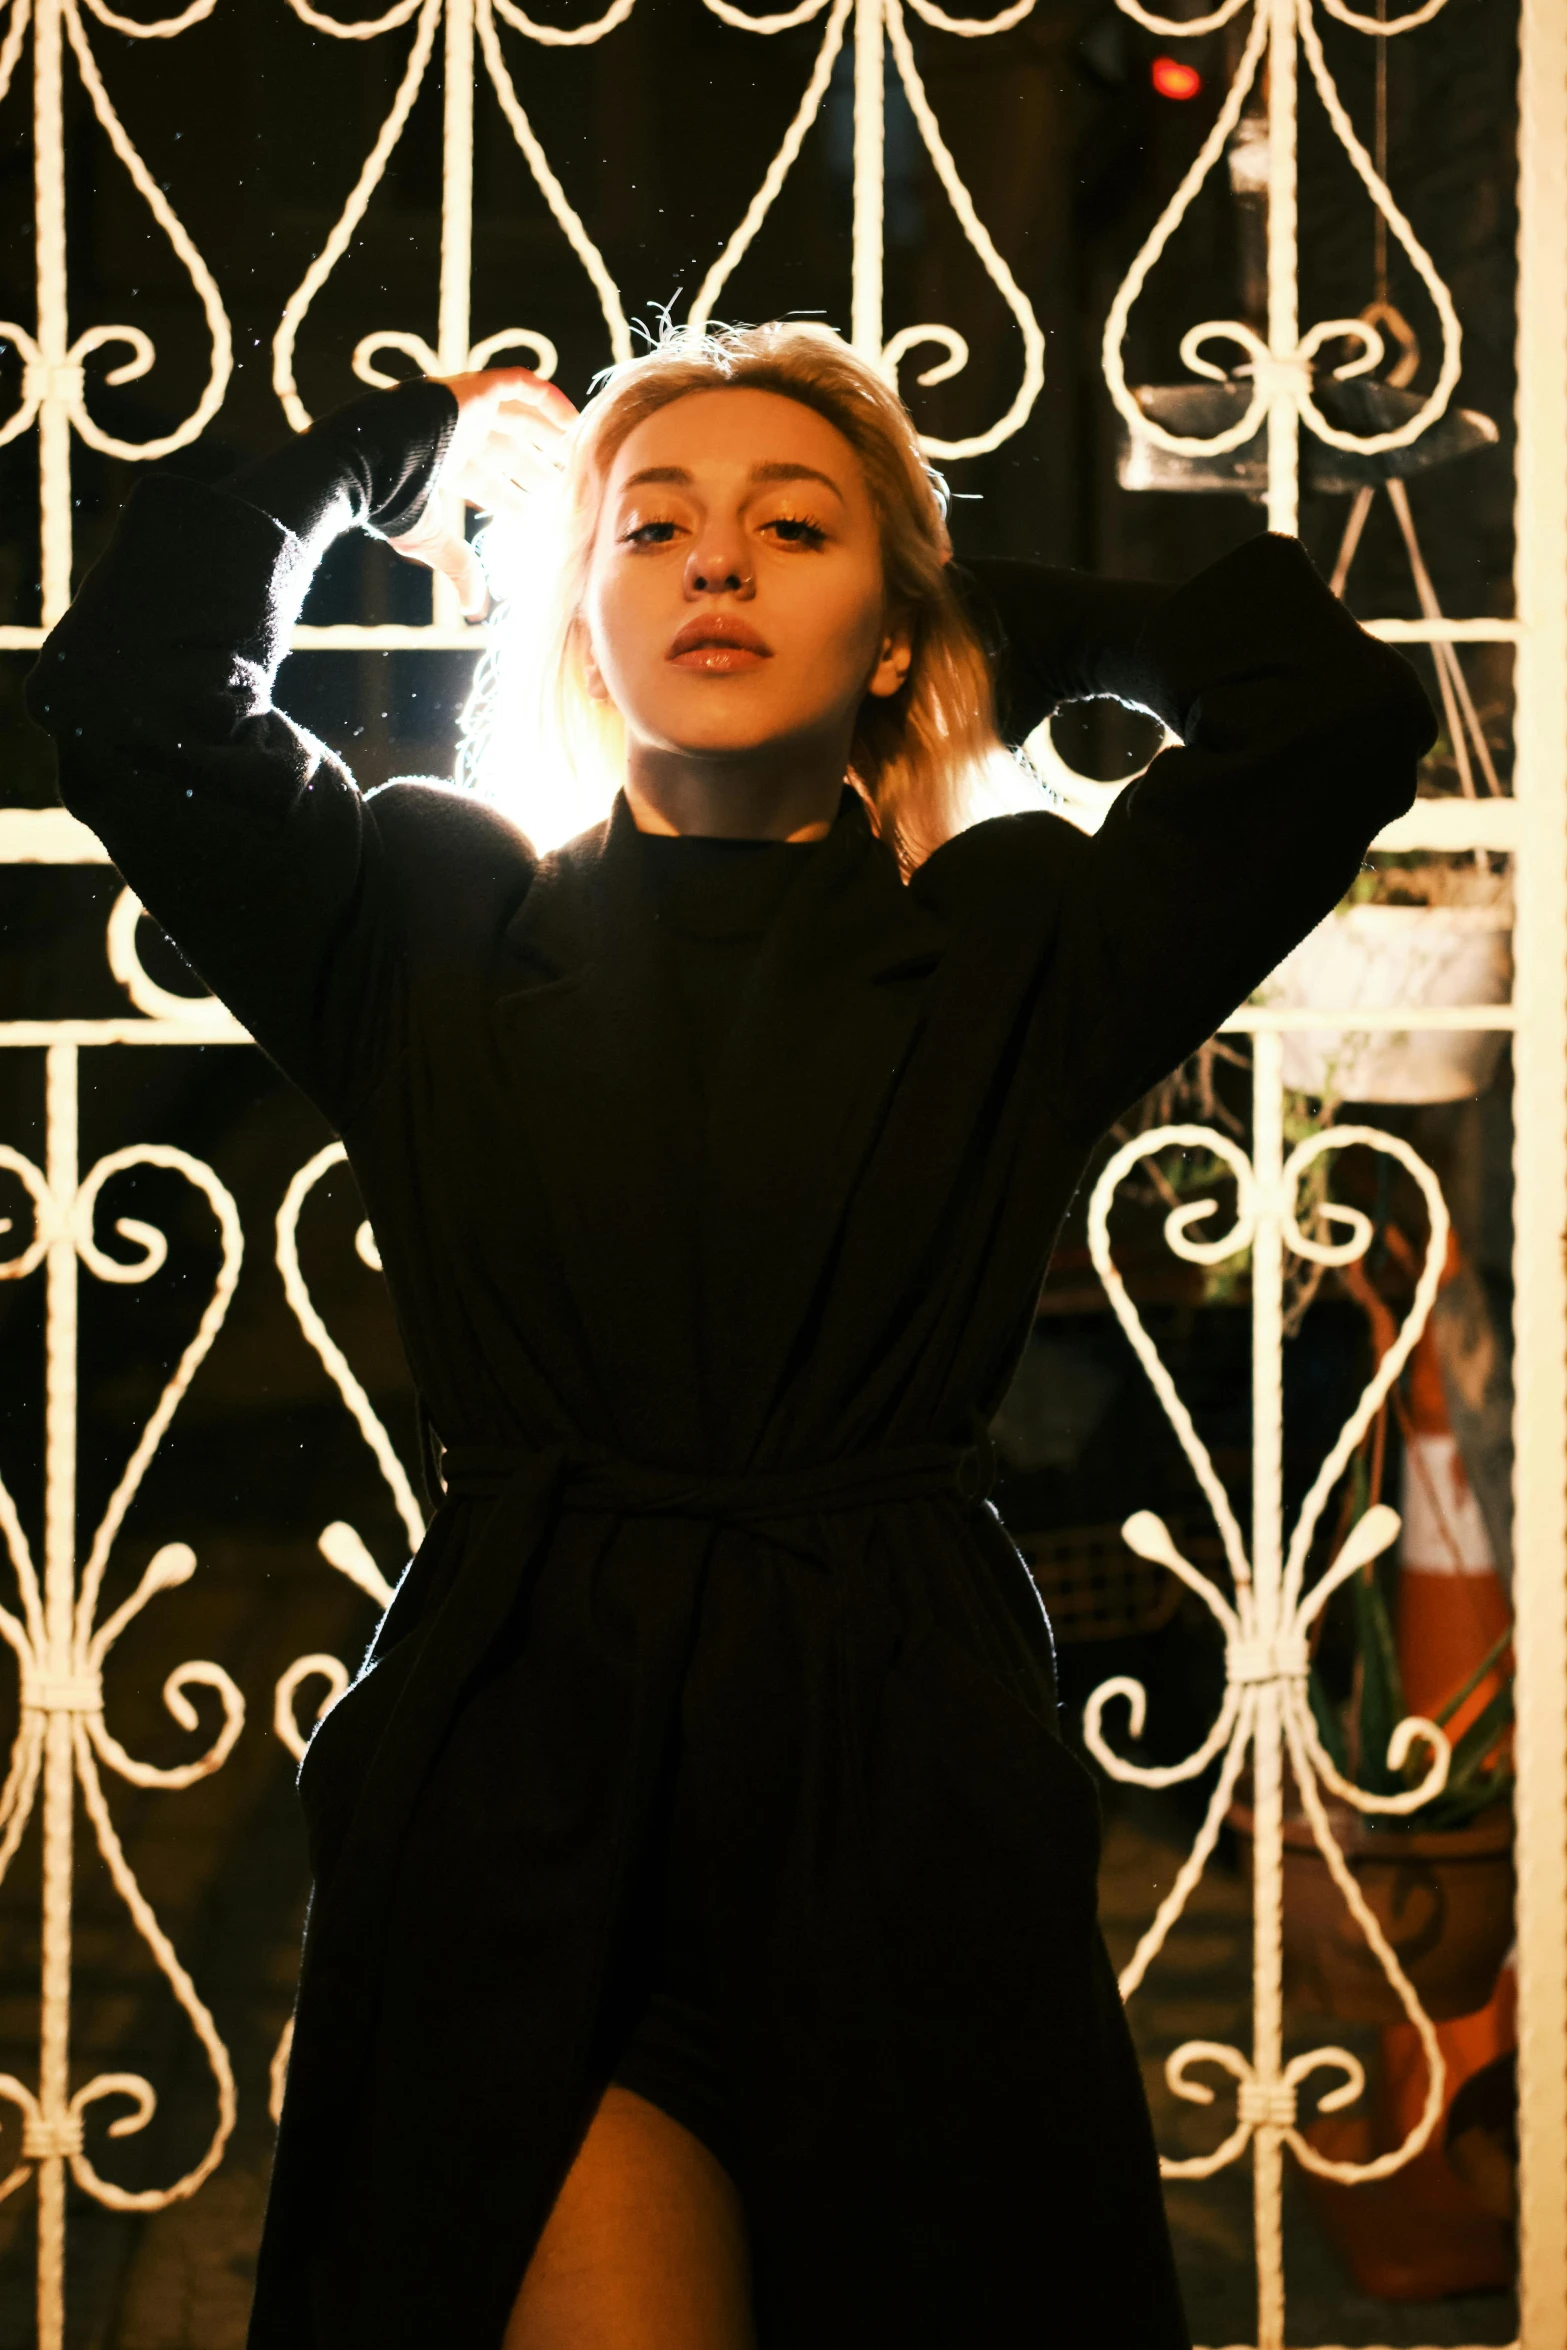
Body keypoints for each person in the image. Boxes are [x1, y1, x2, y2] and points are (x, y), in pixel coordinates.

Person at [26, 322, 1434, 2350]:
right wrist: (393, 455)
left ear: (886, 627)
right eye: (653, 526)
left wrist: (952, 621)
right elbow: (138, 691)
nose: (715, 564)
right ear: (583, 616)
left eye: (791, 528)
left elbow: (1323, 713)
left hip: (900, 1766)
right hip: (526, 1771)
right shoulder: (425, 919)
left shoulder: (1014, 939)